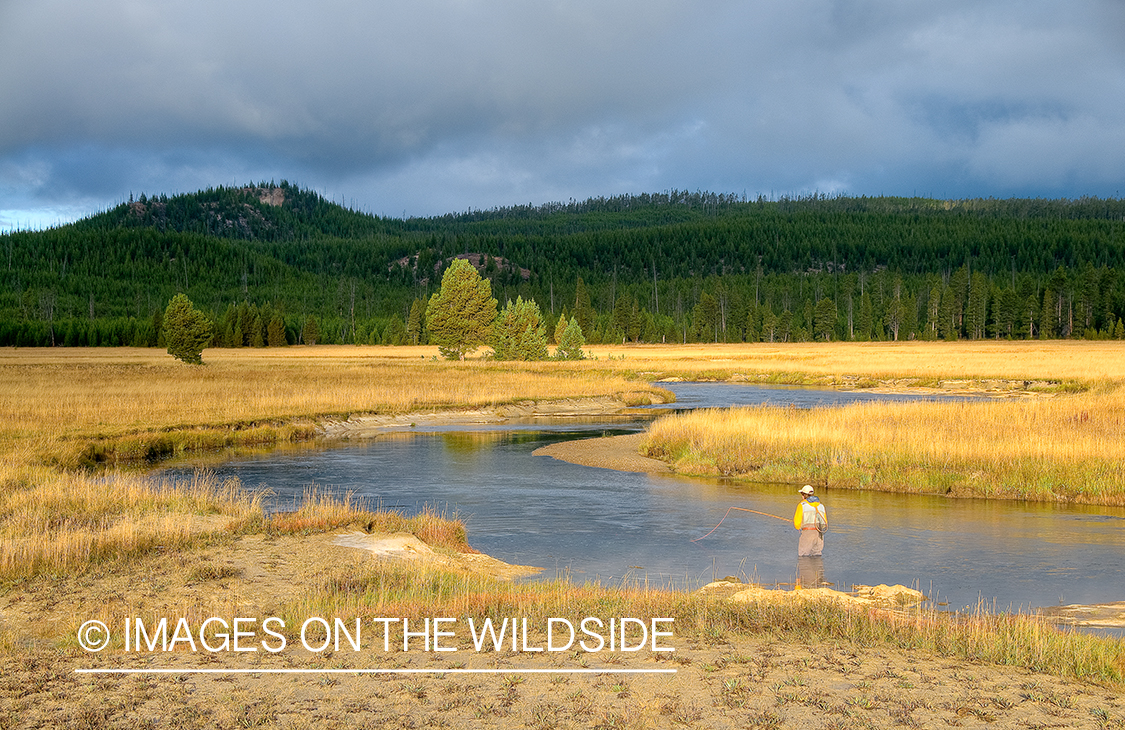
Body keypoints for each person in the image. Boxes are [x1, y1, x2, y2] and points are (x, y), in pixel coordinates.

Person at [793, 485, 828, 557]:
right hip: (819, 534)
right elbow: (825, 523)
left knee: (803, 557)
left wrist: (799, 527)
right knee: (817, 556)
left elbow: (797, 524)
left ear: (803, 495)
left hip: (807, 534)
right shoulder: (821, 506)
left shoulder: (802, 505)